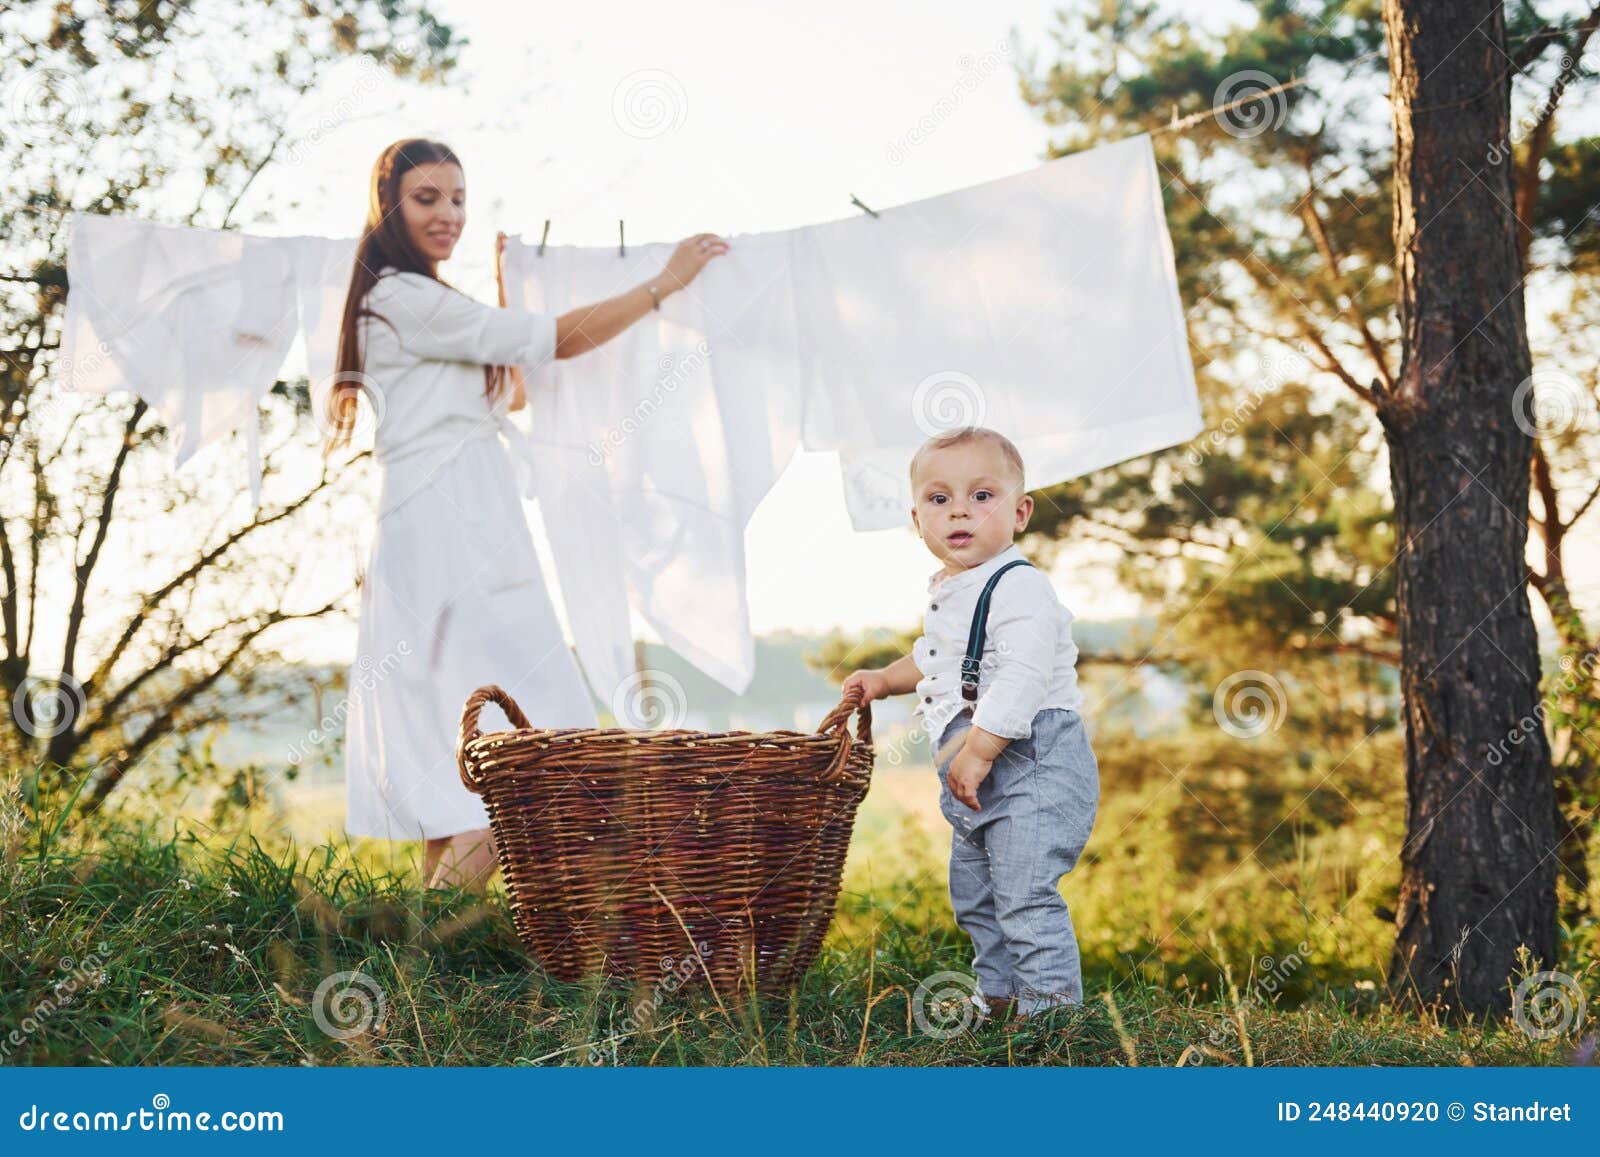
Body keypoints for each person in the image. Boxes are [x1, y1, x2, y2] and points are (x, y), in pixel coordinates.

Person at [324, 138, 727, 891]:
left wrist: (509, 289)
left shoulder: (416, 302)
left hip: (443, 516)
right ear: (389, 207)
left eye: (457, 198)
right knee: (516, 742)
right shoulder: (408, 299)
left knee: (468, 741)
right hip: (451, 523)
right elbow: (554, 344)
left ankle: (430, 952)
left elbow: (505, 386)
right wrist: (664, 282)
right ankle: (440, 954)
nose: (448, 214)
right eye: (427, 198)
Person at [841, 426, 1099, 1023]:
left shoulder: (1020, 586)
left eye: (982, 496)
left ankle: (1053, 1019)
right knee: (978, 897)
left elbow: (1024, 675)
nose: (959, 509)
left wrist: (981, 748)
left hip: (1030, 763)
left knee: (1025, 896)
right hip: (975, 775)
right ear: (917, 519)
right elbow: (938, 661)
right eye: (939, 500)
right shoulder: (954, 590)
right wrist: (883, 677)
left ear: (1021, 510)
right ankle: (1002, 996)